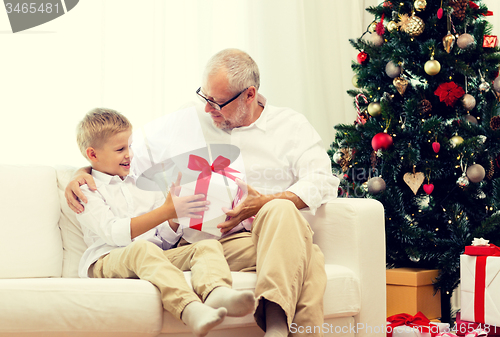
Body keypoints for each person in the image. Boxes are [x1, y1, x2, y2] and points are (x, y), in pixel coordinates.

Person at [67, 49, 339, 337]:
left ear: (249, 95)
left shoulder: (290, 126)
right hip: (211, 241)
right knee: (309, 254)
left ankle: (277, 325)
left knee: (281, 211)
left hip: (270, 231)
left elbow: (323, 180)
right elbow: (125, 161)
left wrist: (264, 203)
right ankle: (282, 328)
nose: (208, 109)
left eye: (217, 103)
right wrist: (82, 173)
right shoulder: (189, 118)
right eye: (204, 97)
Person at [74, 108, 256, 337]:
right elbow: (114, 233)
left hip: (150, 255)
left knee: (205, 246)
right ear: (93, 154)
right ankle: (189, 308)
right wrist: (164, 211)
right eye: (120, 149)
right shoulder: (85, 190)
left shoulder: (141, 182)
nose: (129, 154)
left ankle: (216, 291)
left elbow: (163, 241)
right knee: (141, 248)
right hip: (105, 260)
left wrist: (172, 219)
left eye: (130, 146)